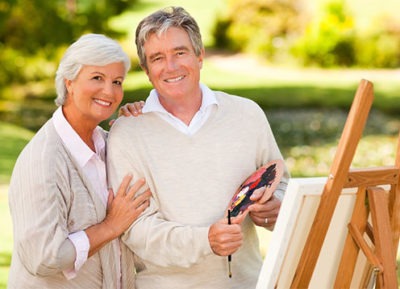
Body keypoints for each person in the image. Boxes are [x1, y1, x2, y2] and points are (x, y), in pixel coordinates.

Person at [107, 6, 290, 289]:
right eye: (158, 58)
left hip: (247, 283)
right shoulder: (127, 134)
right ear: (146, 70)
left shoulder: (247, 115)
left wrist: (275, 209)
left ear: (200, 55)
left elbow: (280, 182)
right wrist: (205, 240)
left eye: (180, 52)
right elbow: (136, 229)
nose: (171, 66)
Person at [7, 33, 151, 289]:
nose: (109, 91)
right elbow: (43, 257)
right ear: (69, 82)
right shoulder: (43, 161)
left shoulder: (111, 145)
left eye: (117, 81)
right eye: (97, 78)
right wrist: (110, 226)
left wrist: (138, 128)